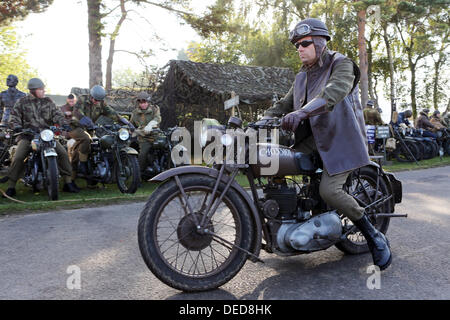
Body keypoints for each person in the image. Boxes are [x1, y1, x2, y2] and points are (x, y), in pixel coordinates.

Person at [262, 18, 391, 270]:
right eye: (296, 45)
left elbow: (332, 93)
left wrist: (302, 113)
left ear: (320, 42)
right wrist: (263, 119)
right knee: (274, 163)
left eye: (305, 43)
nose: (299, 48)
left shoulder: (341, 64)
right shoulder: (302, 77)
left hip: (340, 140)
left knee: (329, 192)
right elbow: (284, 104)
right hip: (312, 141)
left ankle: (374, 236)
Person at [0, 78, 79, 197]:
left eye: (43, 89)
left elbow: (57, 114)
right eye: (41, 89)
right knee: (18, 157)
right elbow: (14, 116)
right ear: (33, 90)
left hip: (46, 135)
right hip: (28, 136)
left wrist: (64, 124)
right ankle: (11, 186)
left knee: (62, 153)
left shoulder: (48, 101)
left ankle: (68, 182)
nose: (44, 91)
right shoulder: (22, 102)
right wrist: (17, 126)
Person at [69, 85, 132, 176]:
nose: (96, 102)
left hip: (90, 129)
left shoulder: (101, 103)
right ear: (91, 96)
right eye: (95, 99)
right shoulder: (82, 99)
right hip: (75, 127)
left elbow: (112, 113)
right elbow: (77, 112)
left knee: (97, 146)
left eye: (99, 100)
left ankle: (94, 175)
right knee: (86, 139)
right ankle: (83, 164)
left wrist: (126, 123)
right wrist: (85, 120)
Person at [130, 92, 161, 178]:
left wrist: (151, 124)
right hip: (144, 138)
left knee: (167, 148)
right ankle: (139, 175)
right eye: (141, 103)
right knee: (143, 154)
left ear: (148, 102)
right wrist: (131, 130)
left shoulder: (155, 109)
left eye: (144, 102)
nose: (143, 104)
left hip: (156, 135)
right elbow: (131, 125)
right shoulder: (135, 113)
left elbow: (157, 118)